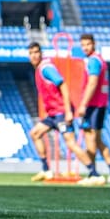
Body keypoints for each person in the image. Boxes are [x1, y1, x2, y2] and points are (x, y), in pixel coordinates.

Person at [28, 42, 90, 182]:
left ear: (41, 53)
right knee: (35, 133)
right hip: (52, 115)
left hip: (61, 112)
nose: (34, 55)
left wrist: (68, 111)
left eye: (37, 52)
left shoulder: (46, 68)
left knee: (71, 143)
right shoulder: (39, 70)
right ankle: (46, 170)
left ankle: (94, 173)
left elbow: (63, 85)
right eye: (31, 53)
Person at [74, 33, 110, 185]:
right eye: (83, 45)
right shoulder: (100, 60)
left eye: (88, 44)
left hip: (94, 105)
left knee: (90, 139)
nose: (85, 48)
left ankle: (93, 174)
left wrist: (83, 104)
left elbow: (92, 83)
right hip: (101, 104)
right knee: (98, 140)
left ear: (94, 44)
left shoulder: (93, 61)